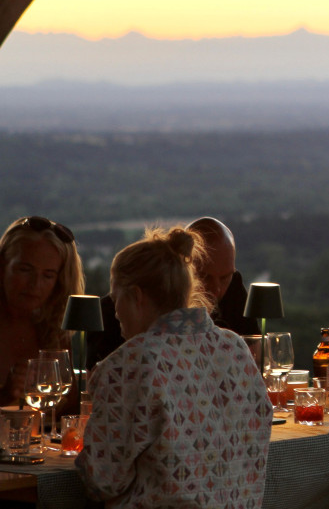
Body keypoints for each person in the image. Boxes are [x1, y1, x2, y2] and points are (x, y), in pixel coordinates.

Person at [77, 226, 273, 508]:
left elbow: (103, 481)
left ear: (137, 295)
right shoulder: (236, 349)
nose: (116, 310)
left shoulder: (129, 364)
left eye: (115, 296)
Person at [87, 216, 257, 369]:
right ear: (183, 270)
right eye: (205, 277)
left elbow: (255, 352)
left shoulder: (233, 290)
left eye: (225, 278)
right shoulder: (116, 310)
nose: (217, 289)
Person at [0, 216, 85, 407]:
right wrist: (6, 395)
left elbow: (69, 407)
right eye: (25, 269)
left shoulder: (53, 331)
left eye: (48, 275)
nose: (35, 284)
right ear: (2, 265)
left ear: (59, 282)